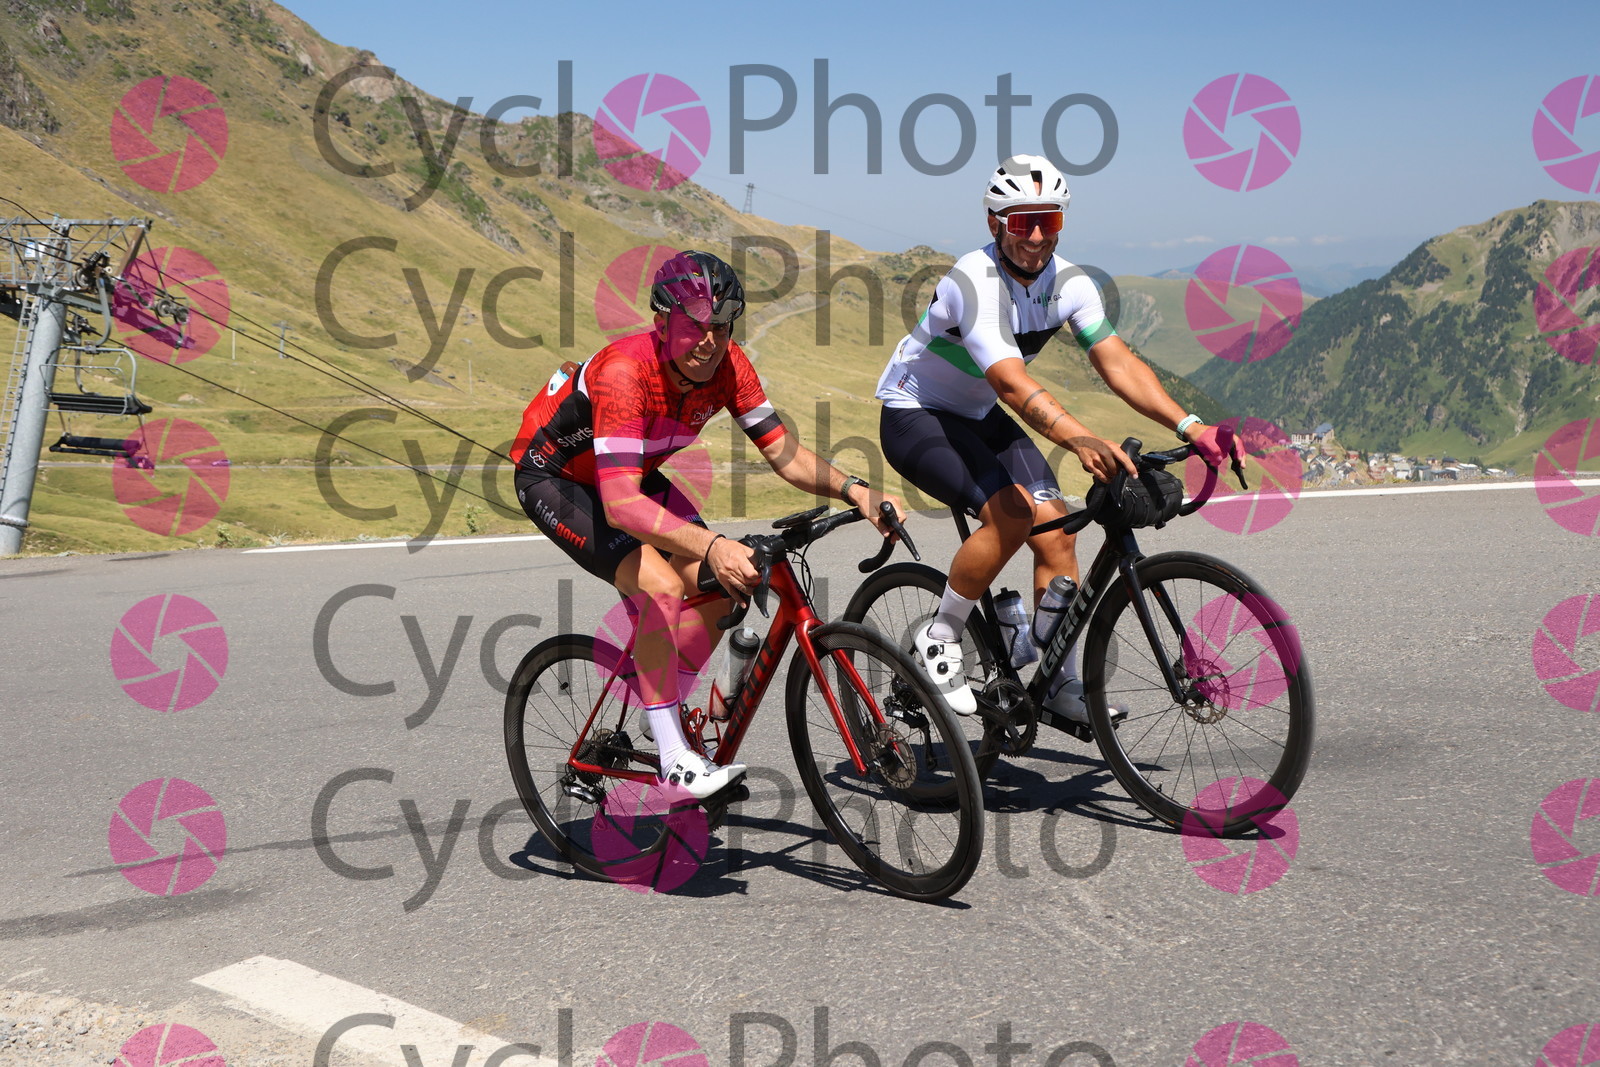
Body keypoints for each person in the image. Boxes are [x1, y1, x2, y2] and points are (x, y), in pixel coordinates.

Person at [513, 250, 905, 798]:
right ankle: (673, 756)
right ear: (662, 323)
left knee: (729, 582)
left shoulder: (728, 366)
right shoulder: (626, 372)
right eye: (695, 325)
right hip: (558, 479)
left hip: (631, 473)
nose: (709, 340)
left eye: (721, 326)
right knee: (662, 586)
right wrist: (714, 543)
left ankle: (660, 702)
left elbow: (785, 453)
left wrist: (855, 489)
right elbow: (621, 506)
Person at [875, 154, 1245, 723]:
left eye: (1049, 220)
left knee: (1058, 533)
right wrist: (1080, 439)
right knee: (1012, 515)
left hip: (976, 412)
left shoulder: (1070, 283)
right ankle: (940, 635)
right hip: (915, 413)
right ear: (996, 222)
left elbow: (1117, 362)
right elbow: (1010, 383)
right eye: (1023, 222)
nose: (1037, 237)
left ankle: (1058, 682)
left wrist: (1190, 425)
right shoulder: (975, 280)